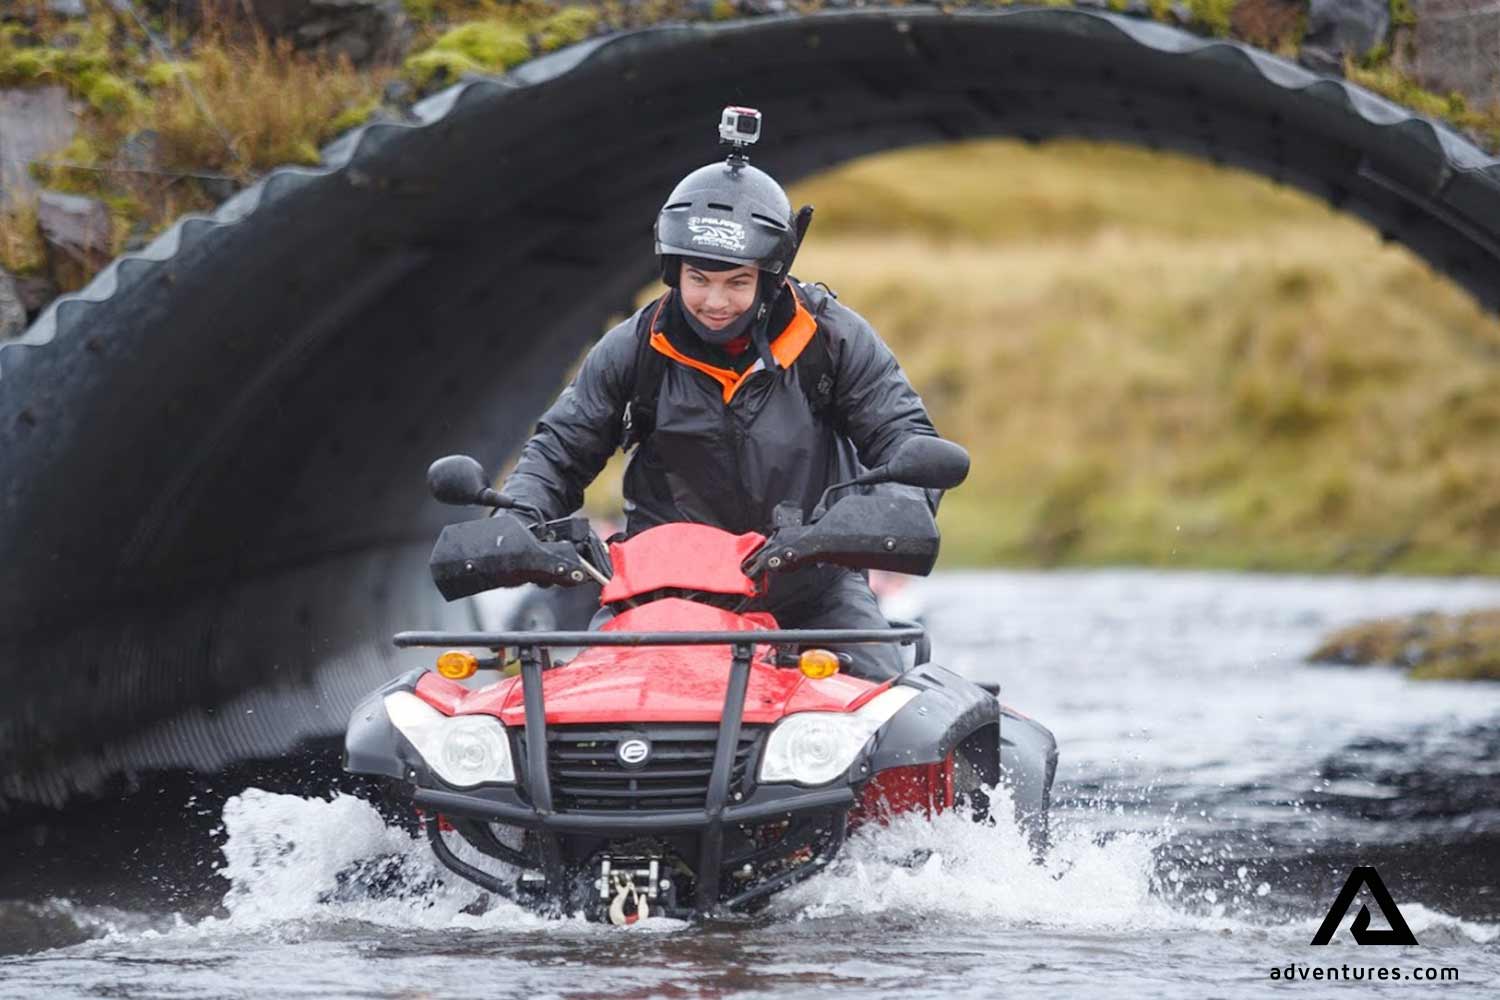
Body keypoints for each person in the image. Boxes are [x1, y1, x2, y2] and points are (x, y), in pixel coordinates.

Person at [498, 128, 944, 680]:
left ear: (769, 277)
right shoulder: (634, 348)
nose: (715, 301)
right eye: (699, 279)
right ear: (673, 270)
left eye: (737, 282)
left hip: (812, 596)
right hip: (658, 598)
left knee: (887, 718)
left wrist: (887, 512)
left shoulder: (832, 340)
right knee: (582, 717)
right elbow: (559, 451)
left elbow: (907, 441)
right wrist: (516, 521)